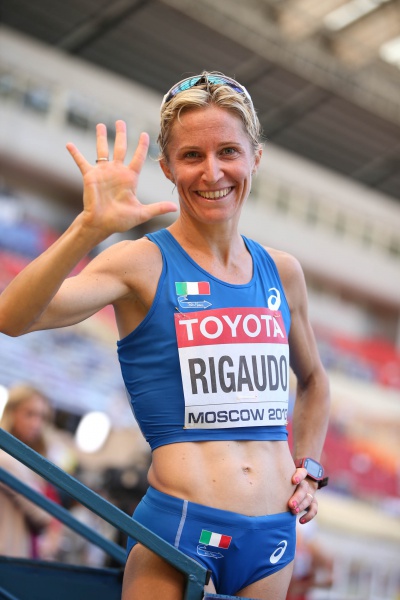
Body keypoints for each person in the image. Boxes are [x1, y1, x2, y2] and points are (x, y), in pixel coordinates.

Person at [0, 72, 330, 599]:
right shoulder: (140, 262)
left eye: (228, 151)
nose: (212, 172)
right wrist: (88, 229)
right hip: (178, 529)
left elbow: (314, 382)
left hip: (272, 534)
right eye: (192, 155)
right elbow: (13, 317)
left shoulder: (283, 272)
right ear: (168, 168)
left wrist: (309, 470)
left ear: (255, 158)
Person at [0, 384, 54, 558]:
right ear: (11, 413)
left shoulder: (25, 460)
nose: (36, 424)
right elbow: (43, 515)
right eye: (29, 414)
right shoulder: (6, 459)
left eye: (42, 417)